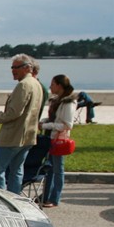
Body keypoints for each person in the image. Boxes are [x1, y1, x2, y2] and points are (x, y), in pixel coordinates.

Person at [0, 54, 42, 193]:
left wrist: (1, 116)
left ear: (27, 68)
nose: (13, 70)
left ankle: (1, 200)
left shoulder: (24, 85)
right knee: (17, 171)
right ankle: (15, 198)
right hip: (28, 136)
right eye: (12, 67)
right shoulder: (36, 84)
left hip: (13, 136)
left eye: (16, 67)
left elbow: (14, 112)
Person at [39, 74, 76, 208]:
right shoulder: (57, 100)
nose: (50, 86)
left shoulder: (68, 103)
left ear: (59, 86)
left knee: (57, 169)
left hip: (58, 140)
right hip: (51, 137)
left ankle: (54, 198)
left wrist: (45, 126)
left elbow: (67, 125)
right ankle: (46, 195)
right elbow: (54, 119)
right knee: (49, 168)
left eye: (53, 84)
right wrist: (44, 122)